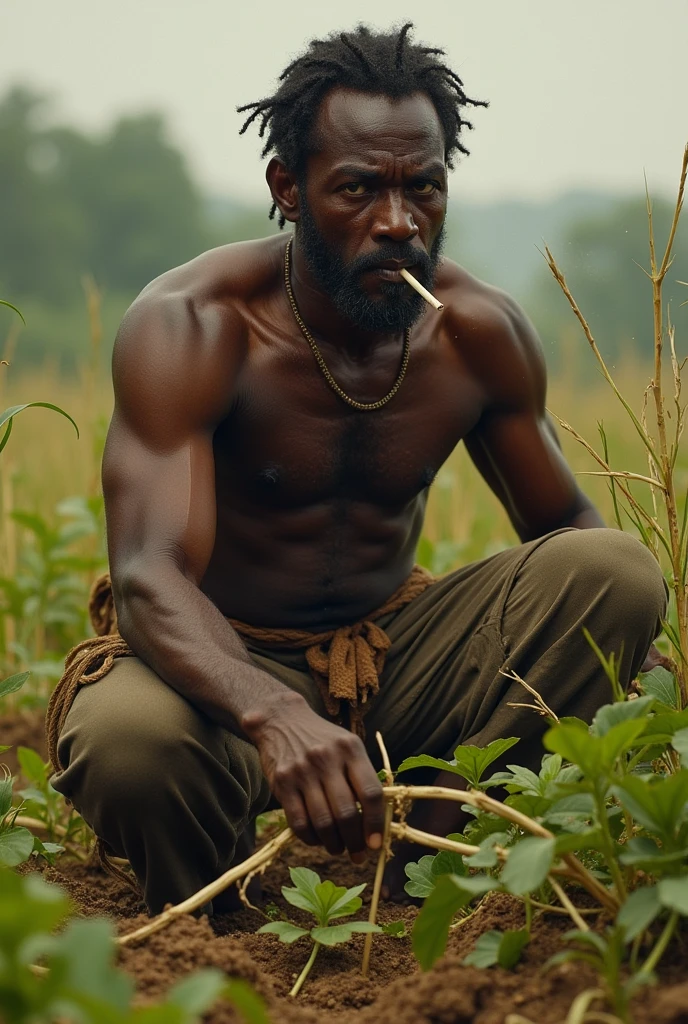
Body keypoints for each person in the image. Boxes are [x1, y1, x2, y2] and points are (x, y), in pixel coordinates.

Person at [49, 23, 666, 914]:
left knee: (617, 572)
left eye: (424, 188)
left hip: (395, 663)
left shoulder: (475, 334)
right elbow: (150, 574)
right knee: (129, 742)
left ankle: (440, 864)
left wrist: (639, 659)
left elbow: (565, 526)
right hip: (217, 674)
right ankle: (214, 918)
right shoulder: (194, 325)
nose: (398, 223)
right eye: (359, 190)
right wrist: (273, 711)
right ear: (287, 191)